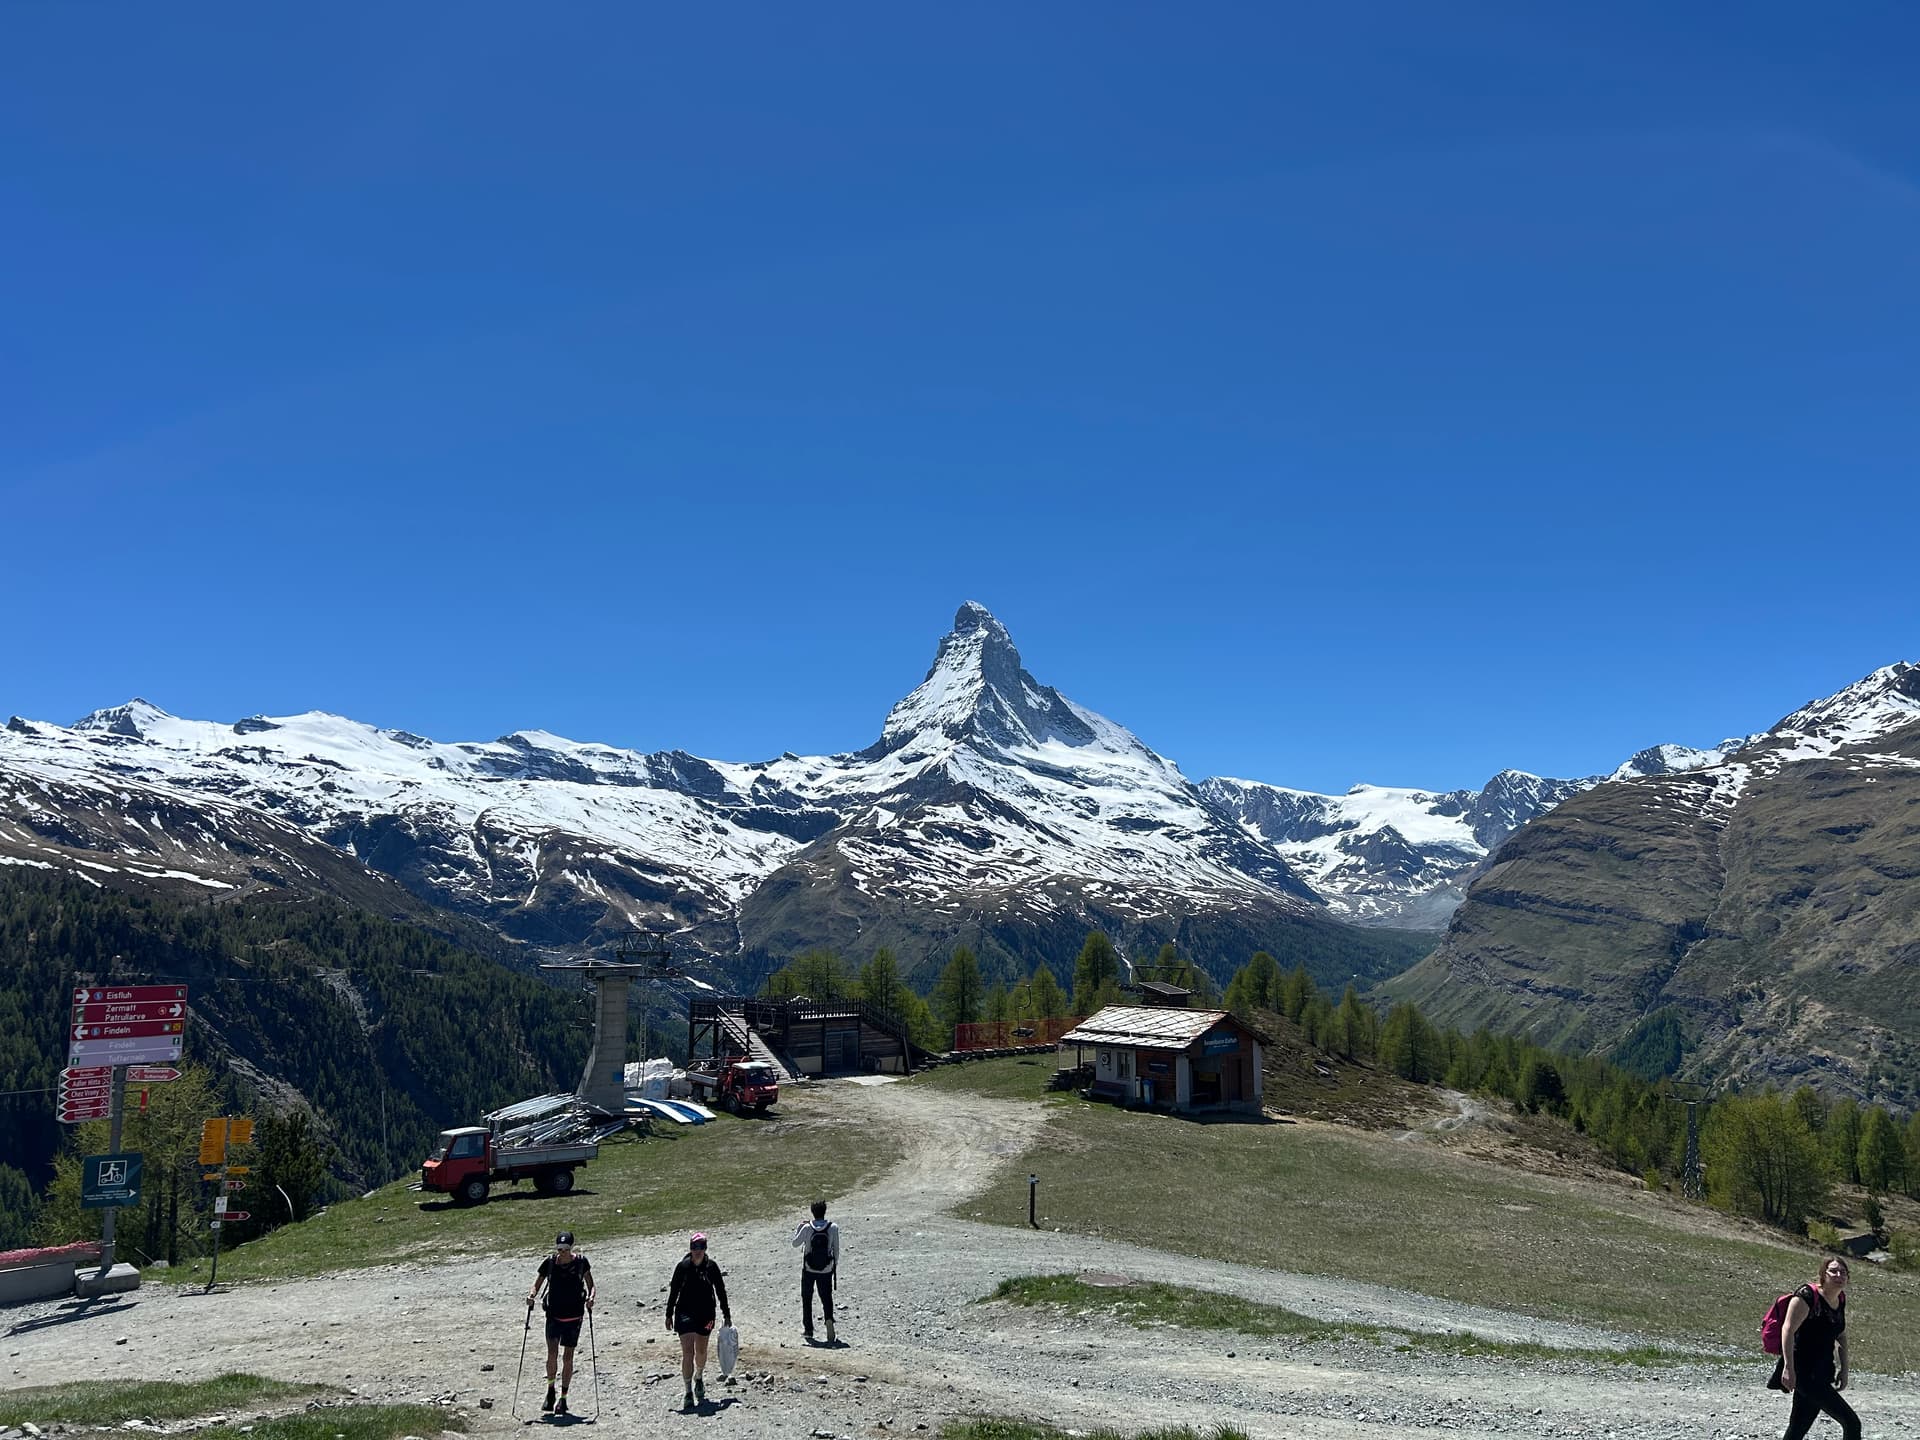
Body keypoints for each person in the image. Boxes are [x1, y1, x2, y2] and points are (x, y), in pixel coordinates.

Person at [1771, 1256, 1860, 1440]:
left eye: (1843, 1272)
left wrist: (1844, 1369)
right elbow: (1788, 1329)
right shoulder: (1807, 1296)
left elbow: (1841, 1334)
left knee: (1797, 1428)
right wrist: (1788, 1368)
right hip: (1804, 1372)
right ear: (1823, 1274)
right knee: (1852, 1422)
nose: (1839, 1275)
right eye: (1833, 1271)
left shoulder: (1840, 1299)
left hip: (1822, 1371)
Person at [526, 1231, 595, 1416]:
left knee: (567, 1358)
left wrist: (591, 1298)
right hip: (553, 1316)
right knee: (552, 1354)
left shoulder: (581, 1262)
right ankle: (550, 1391)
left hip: (574, 1317)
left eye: (565, 1249)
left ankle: (563, 1398)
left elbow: (591, 1285)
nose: (562, 1252)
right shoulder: (549, 1263)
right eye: (559, 1249)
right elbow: (537, 1284)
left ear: (571, 1248)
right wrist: (531, 1295)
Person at [665, 1232, 731, 1411]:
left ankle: (699, 1377)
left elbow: (721, 1290)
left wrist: (726, 1314)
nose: (698, 1250)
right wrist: (669, 1314)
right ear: (690, 1248)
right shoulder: (683, 1267)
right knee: (688, 1352)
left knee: (701, 1351)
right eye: (695, 1247)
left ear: (705, 1248)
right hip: (685, 1312)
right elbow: (674, 1291)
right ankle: (688, 1391)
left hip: (706, 1313)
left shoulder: (712, 1267)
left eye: (701, 1247)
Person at [790, 1197, 841, 1343]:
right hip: (826, 1269)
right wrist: (833, 1266)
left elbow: (795, 1243)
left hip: (809, 1268)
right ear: (825, 1211)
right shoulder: (833, 1227)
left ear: (812, 1212)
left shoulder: (807, 1228)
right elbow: (836, 1249)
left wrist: (799, 1227)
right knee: (826, 1297)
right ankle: (829, 1319)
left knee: (807, 1298)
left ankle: (808, 1329)